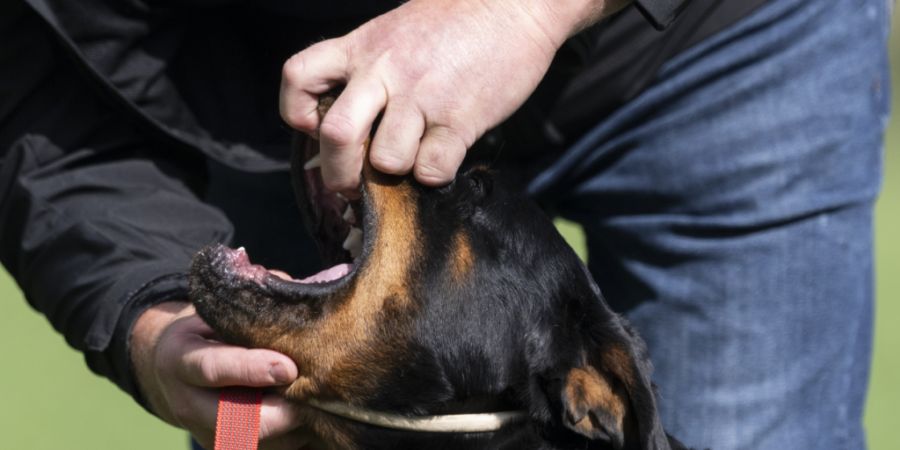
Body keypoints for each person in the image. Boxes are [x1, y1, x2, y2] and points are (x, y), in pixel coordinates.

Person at [0, 0, 890, 449]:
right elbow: (43, 102)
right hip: (283, 114)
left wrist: (522, 8)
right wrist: (146, 320)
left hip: (705, 47)